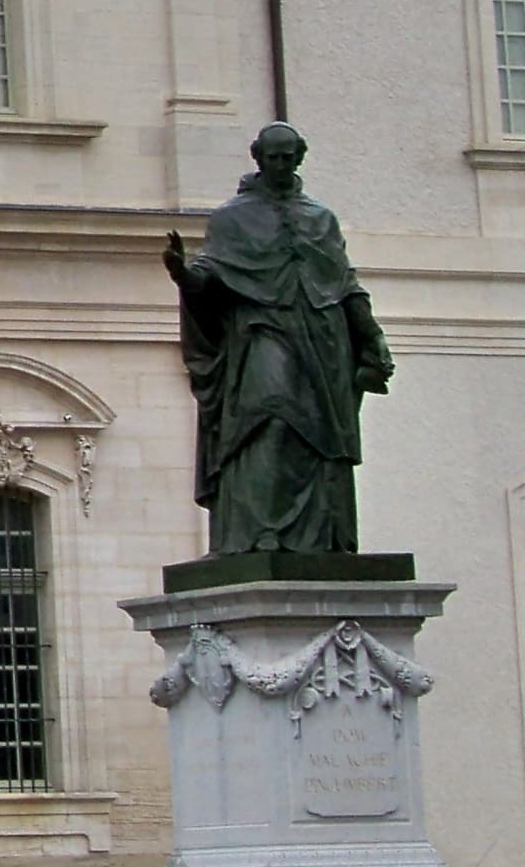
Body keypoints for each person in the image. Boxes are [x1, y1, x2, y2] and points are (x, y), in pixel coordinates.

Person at [164, 123, 395, 560]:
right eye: (274, 157)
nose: (282, 164)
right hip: (262, 330)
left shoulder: (320, 218)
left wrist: (372, 336)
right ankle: (260, 531)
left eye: (289, 156)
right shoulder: (232, 218)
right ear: (259, 158)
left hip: (325, 339)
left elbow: (345, 285)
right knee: (268, 414)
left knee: (322, 438)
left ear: (299, 157)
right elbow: (210, 275)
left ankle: (325, 537)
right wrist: (183, 273)